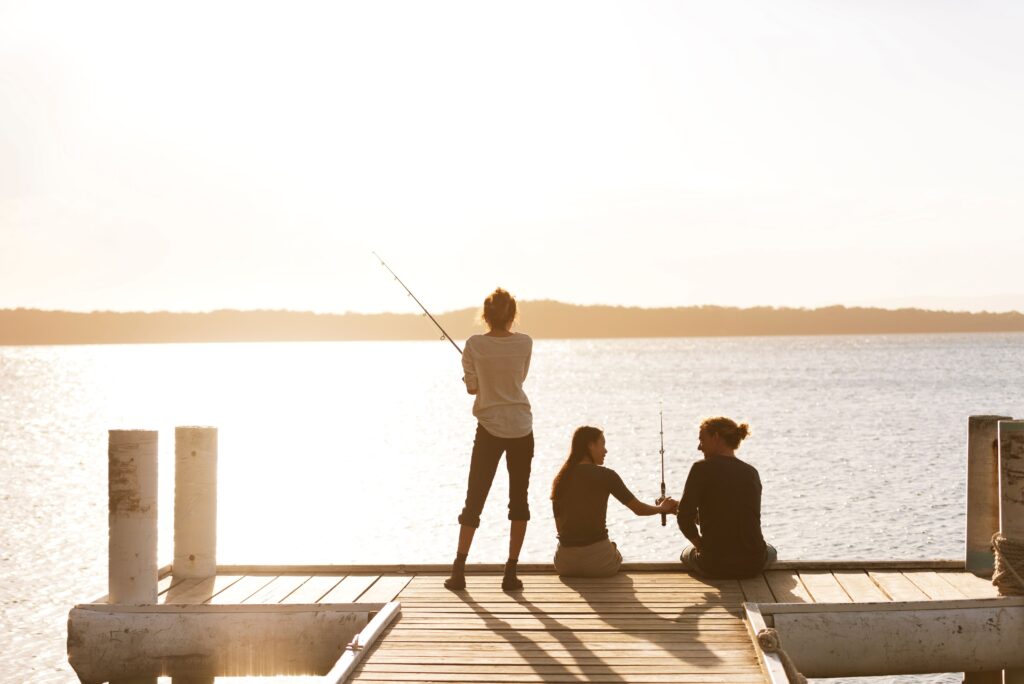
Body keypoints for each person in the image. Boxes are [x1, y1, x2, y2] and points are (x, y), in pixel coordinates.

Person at [445, 288, 534, 591]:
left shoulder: (473, 345)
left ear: (485, 316)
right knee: (519, 500)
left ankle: (458, 571)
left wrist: (477, 375)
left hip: (489, 428)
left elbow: (472, 388)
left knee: (475, 498)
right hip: (522, 427)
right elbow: (518, 379)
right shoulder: (525, 343)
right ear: (512, 315)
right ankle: (510, 573)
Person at [551, 426, 678, 577]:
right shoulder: (607, 475)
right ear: (590, 445)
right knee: (614, 549)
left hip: (565, 564)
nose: (606, 450)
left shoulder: (560, 479)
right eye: (602, 444)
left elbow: (560, 528)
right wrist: (662, 508)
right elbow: (639, 509)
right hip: (599, 564)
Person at [677, 417, 777, 579]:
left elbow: (684, 519)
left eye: (702, 440)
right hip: (753, 564)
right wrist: (677, 508)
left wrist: (701, 546)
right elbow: (735, 516)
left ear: (716, 437)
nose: (699, 447)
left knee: (685, 553)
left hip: (714, 565)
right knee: (771, 550)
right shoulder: (751, 472)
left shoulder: (700, 469)